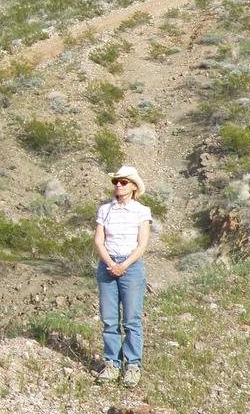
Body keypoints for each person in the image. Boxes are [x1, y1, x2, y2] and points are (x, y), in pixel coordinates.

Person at [93, 165, 151, 388]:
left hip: (131, 266)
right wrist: (111, 264)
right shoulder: (104, 210)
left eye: (123, 182)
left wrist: (124, 265)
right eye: (116, 181)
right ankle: (112, 364)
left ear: (133, 186)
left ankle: (133, 365)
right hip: (107, 265)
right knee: (109, 318)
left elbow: (142, 244)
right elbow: (99, 240)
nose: (118, 185)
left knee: (131, 320)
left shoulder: (141, 211)